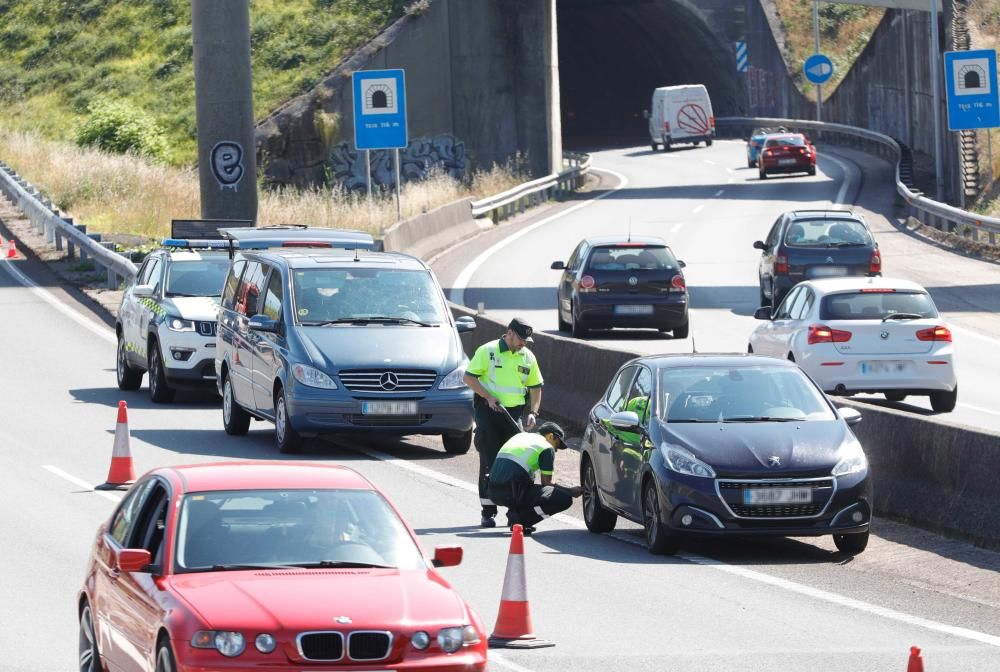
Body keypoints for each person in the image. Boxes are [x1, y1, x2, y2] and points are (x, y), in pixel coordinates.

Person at [463, 317, 543, 528]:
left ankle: (515, 513)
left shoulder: (527, 357)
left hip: (513, 414)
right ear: (509, 333)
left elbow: (535, 387)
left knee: (516, 463)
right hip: (488, 412)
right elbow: (469, 378)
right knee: (489, 460)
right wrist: (488, 397)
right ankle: (488, 511)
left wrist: (533, 412)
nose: (523, 344)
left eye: (526, 340)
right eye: (520, 339)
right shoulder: (487, 351)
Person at [487, 422, 581, 535]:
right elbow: (547, 483)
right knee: (563, 499)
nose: (556, 450)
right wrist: (570, 491)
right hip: (512, 493)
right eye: (557, 445)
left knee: (528, 477)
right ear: (551, 436)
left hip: (492, 491)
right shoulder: (546, 447)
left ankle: (514, 515)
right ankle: (521, 521)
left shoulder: (520, 436)